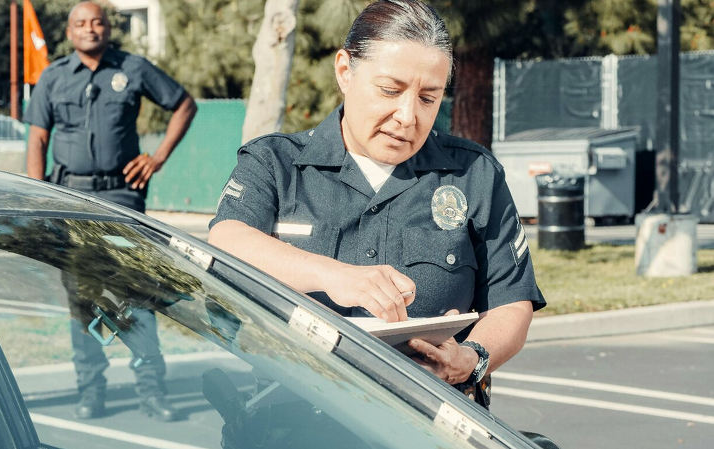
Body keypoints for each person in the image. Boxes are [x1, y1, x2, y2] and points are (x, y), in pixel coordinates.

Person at [208, 0, 546, 409]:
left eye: (428, 98)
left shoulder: (475, 174)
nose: (407, 115)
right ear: (345, 71)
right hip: (292, 416)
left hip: (429, 420)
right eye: (390, 90)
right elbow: (228, 239)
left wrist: (471, 360)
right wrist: (336, 276)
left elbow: (511, 301)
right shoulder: (275, 163)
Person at [24, 1, 197, 421]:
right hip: (70, 200)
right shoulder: (53, 76)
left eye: (97, 21)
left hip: (122, 198)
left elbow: (185, 104)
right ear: (69, 32)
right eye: (81, 23)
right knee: (83, 301)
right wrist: (37, 199)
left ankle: (152, 391)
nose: (90, 28)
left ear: (107, 28)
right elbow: (37, 141)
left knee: (136, 294)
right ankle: (91, 391)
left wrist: (156, 158)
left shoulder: (133, 68)